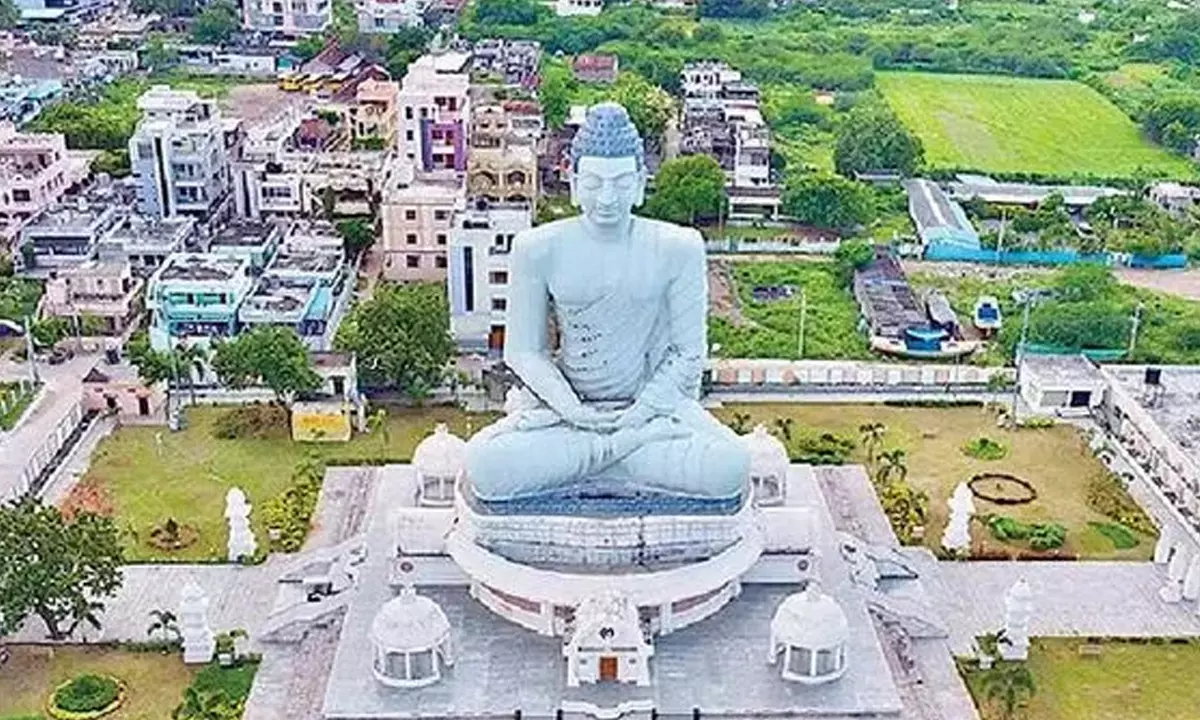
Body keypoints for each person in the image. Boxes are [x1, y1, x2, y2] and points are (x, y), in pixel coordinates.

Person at [464, 103, 749, 508]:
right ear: (574, 182)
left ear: (640, 183)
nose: (608, 198)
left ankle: (601, 456)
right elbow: (523, 352)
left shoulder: (679, 247)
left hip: (650, 411)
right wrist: (573, 410)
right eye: (595, 183)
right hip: (568, 416)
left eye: (621, 182)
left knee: (730, 466)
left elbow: (688, 353)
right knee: (485, 466)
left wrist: (640, 412)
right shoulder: (537, 248)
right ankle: (621, 451)